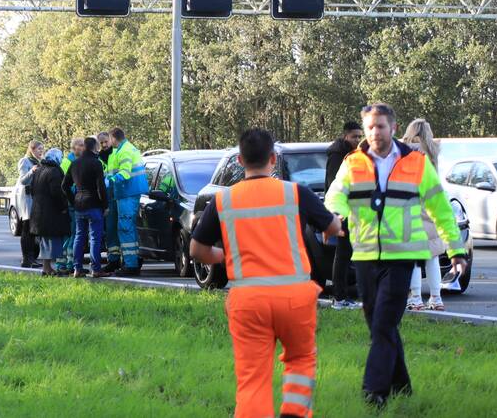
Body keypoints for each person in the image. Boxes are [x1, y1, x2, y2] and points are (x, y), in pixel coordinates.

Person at [191, 128, 342, 418]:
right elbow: (331, 227)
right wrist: (336, 221)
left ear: (239, 160)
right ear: (273, 158)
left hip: (248, 300)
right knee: (300, 360)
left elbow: (197, 250)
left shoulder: (224, 200)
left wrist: (224, 255)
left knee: (252, 378)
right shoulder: (294, 192)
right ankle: (294, 413)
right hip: (295, 298)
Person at [325, 103, 467, 409]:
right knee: (380, 324)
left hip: (403, 256)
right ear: (365, 130)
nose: (376, 132)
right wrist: (338, 213)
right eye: (370, 127)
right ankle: (403, 387)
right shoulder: (352, 163)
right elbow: (335, 193)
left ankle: (374, 392)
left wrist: (456, 249)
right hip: (364, 256)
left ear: (393, 127)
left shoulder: (416, 163)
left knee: (384, 324)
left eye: (381, 126)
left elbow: (441, 209)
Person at [401, 118, 446, 311]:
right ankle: (436, 298)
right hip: (431, 204)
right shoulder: (433, 151)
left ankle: (416, 298)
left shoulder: (404, 151)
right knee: (433, 255)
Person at [325, 121, 364, 310]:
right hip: (341, 210)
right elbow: (335, 184)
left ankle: (342, 296)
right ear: (345, 136)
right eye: (354, 136)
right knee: (342, 255)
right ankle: (339, 297)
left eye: (359, 136)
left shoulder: (352, 153)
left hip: (351, 209)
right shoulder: (338, 155)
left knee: (345, 255)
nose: (357, 140)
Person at [63, 136, 109, 278]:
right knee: (95, 237)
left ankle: (77, 268)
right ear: (94, 147)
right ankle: (95, 269)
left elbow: (64, 185)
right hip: (94, 204)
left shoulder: (74, 163)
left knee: (79, 236)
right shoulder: (96, 163)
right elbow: (100, 187)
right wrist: (105, 205)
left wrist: (73, 200)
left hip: (79, 205)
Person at [105, 127, 148, 276]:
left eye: (109, 139)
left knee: (125, 227)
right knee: (129, 227)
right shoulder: (125, 149)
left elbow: (125, 172)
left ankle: (131, 265)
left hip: (127, 192)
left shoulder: (124, 151)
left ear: (113, 138)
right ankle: (133, 260)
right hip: (128, 192)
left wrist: (109, 181)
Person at [28, 148, 72, 276]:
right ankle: (48, 268)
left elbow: (32, 190)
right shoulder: (54, 171)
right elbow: (57, 193)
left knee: (44, 242)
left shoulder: (39, 170)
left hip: (38, 211)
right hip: (51, 212)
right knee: (52, 241)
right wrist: (64, 206)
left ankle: (46, 268)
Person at [55, 137, 85, 275]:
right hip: (70, 202)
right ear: (74, 147)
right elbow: (64, 185)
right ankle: (66, 263)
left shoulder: (76, 161)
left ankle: (67, 262)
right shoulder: (68, 162)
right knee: (71, 234)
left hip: (73, 202)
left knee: (72, 234)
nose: (83, 147)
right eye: (80, 145)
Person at [96, 131, 122, 272]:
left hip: (119, 194)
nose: (105, 145)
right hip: (106, 197)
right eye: (102, 143)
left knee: (122, 229)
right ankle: (113, 259)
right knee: (110, 230)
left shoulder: (117, 153)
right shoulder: (98, 157)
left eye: (106, 141)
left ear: (110, 140)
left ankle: (123, 259)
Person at [16, 141, 44, 269]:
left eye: (42, 149)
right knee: (27, 229)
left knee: (33, 230)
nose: (40, 151)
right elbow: (23, 180)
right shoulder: (25, 161)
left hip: (36, 198)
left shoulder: (40, 162)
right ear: (32, 149)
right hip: (27, 198)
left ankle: (33, 257)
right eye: (39, 149)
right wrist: (31, 172)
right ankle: (26, 258)